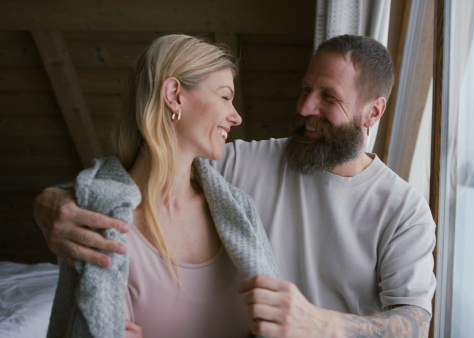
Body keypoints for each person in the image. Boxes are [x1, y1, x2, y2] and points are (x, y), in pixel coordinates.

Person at [35, 34, 436, 337]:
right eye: (305, 89)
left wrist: (318, 323)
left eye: (328, 97)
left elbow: (415, 321)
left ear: (374, 111)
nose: (304, 107)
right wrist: (50, 201)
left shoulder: (403, 209)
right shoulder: (237, 165)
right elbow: (144, 171)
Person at [45, 34, 280, 338]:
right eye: (224, 97)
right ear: (174, 95)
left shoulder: (239, 210)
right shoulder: (101, 220)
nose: (235, 116)